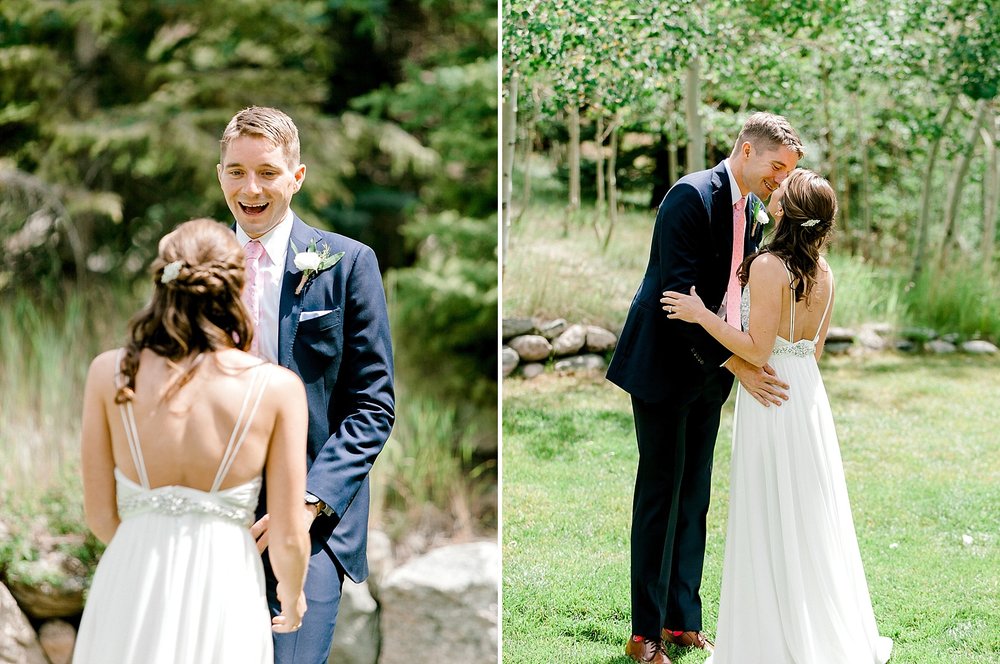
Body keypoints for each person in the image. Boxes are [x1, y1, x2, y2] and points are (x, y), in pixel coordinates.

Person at [661, 169, 893, 663]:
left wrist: (701, 314)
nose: (773, 192)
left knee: (770, 507)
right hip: (805, 393)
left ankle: (774, 635)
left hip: (770, 394)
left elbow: (757, 346)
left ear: (784, 212)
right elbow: (816, 348)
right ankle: (811, 621)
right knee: (806, 511)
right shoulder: (825, 272)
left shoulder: (769, 266)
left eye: (780, 193)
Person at [606, 112, 805, 663]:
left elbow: (731, 300)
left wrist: (733, 359)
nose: (781, 178)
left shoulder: (756, 212)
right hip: (664, 367)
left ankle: (682, 621)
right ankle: (643, 634)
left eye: (789, 171)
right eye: (777, 166)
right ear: (746, 150)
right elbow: (677, 303)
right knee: (660, 496)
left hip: (709, 373)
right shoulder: (690, 197)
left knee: (694, 497)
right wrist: (738, 365)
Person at [75, 218, 310, 664]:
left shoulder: (109, 372)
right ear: (235, 287)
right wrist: (293, 593)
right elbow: (288, 533)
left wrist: (145, 555)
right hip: (224, 584)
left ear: (163, 280)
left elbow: (100, 514)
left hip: (130, 579)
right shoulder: (276, 389)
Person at [217, 106, 395, 663]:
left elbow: (373, 404)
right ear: (219, 173)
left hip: (308, 517)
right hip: (213, 509)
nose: (251, 188)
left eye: (268, 172)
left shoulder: (346, 265)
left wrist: (308, 502)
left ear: (296, 176)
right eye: (236, 171)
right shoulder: (194, 266)